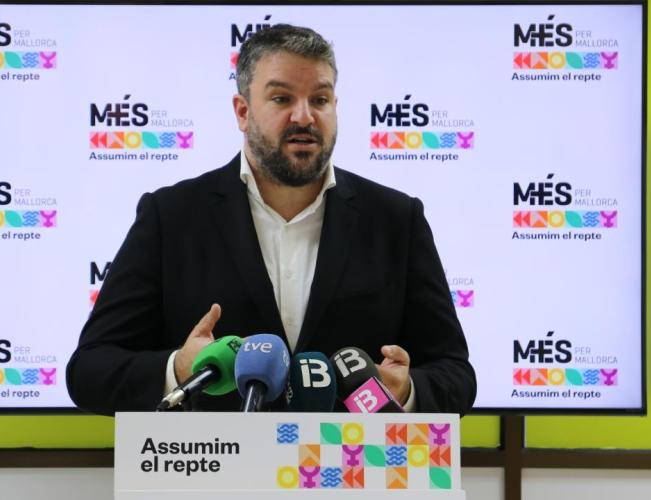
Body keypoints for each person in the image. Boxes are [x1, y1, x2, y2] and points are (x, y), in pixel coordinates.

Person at [66, 24, 476, 416]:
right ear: (243, 111)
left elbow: (455, 374)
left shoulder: (396, 219)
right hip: (215, 463)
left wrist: (404, 391)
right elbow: (90, 371)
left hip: (348, 463)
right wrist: (180, 370)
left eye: (320, 99)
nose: (304, 117)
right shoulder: (172, 216)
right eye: (282, 99)